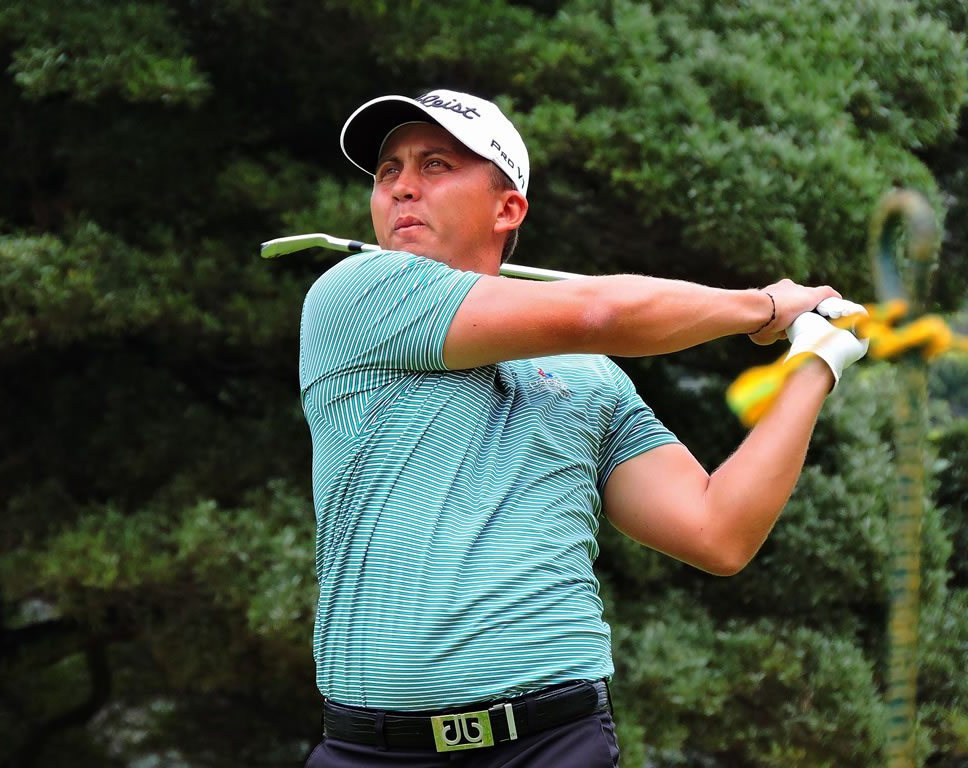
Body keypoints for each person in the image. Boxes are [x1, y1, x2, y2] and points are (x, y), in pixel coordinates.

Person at [299, 88, 868, 767]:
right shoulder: (356, 294)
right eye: (388, 171)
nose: (401, 187)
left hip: (553, 741)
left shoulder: (588, 377)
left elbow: (716, 531)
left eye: (436, 165)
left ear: (507, 209)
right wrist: (767, 306)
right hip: (372, 751)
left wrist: (816, 363)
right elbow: (599, 313)